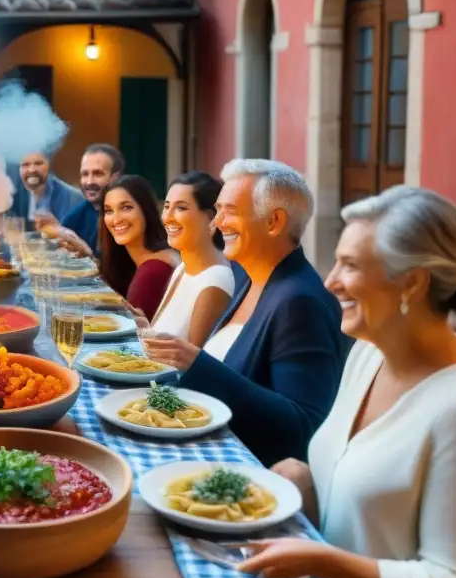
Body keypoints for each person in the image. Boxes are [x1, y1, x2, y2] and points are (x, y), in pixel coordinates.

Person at [240, 186, 456, 578]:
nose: (330, 281)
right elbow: (364, 501)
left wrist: (324, 561)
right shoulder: (369, 352)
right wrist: (305, 479)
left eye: (349, 266)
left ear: (412, 283)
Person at [143, 159, 348, 466]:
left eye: (230, 211)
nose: (217, 223)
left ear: (273, 222)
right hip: (199, 447)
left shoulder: (300, 301)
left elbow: (303, 425)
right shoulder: (245, 277)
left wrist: (198, 364)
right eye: (218, 209)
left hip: (241, 476)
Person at [136, 171, 235, 344]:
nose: (167, 217)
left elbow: (192, 365)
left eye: (181, 208)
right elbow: (164, 338)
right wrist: (141, 327)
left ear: (212, 219)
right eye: (167, 206)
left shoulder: (215, 281)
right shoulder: (184, 267)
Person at [97, 175, 178, 319]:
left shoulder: (153, 270)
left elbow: (134, 334)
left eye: (126, 207)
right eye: (109, 211)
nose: (116, 219)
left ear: (145, 210)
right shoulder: (134, 262)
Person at [37, 143, 124, 257]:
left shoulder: (127, 217)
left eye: (98, 174)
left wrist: (84, 250)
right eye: (85, 174)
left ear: (115, 178)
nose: (89, 182)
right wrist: (56, 233)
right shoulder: (75, 216)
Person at [8, 151, 84, 225]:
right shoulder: (10, 194)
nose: (32, 170)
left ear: (48, 165)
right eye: (25, 165)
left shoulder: (73, 198)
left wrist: (59, 229)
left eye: (38, 163)